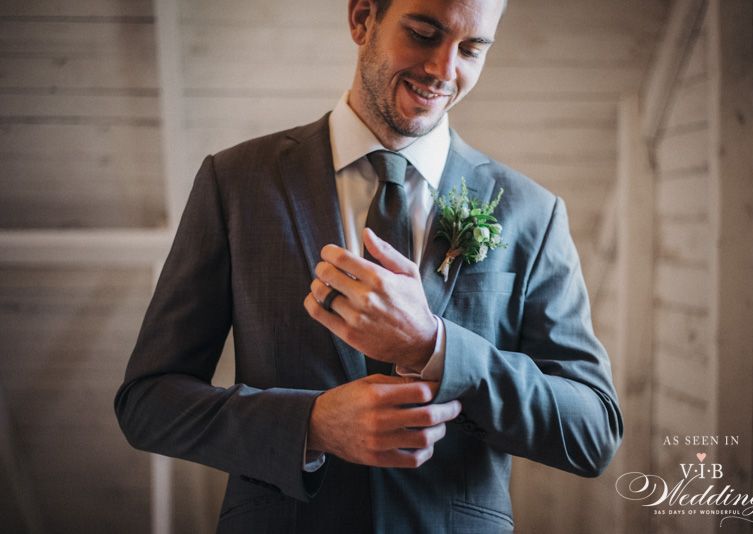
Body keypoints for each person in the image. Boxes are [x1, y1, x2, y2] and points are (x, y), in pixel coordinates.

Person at [114, 0, 623, 532]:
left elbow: (592, 433)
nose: (445, 71)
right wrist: (311, 426)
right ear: (362, 19)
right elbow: (147, 403)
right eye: (425, 34)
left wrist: (434, 347)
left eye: (472, 49)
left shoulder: (531, 213)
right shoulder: (237, 181)